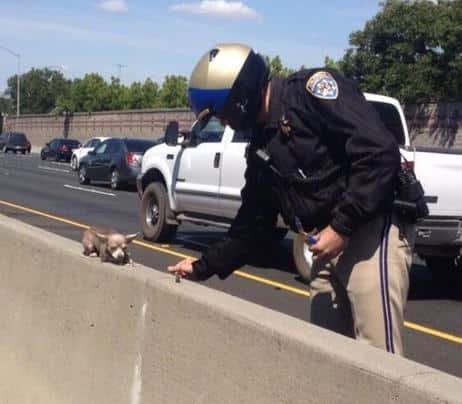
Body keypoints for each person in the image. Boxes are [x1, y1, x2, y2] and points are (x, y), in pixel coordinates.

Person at [167, 43, 415, 355]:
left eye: (222, 115)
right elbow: (253, 226)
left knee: (379, 357)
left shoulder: (311, 93)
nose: (226, 124)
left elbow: (379, 153)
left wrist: (342, 227)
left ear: (239, 98)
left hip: (371, 227)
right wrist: (202, 267)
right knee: (328, 353)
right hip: (327, 240)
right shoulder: (262, 147)